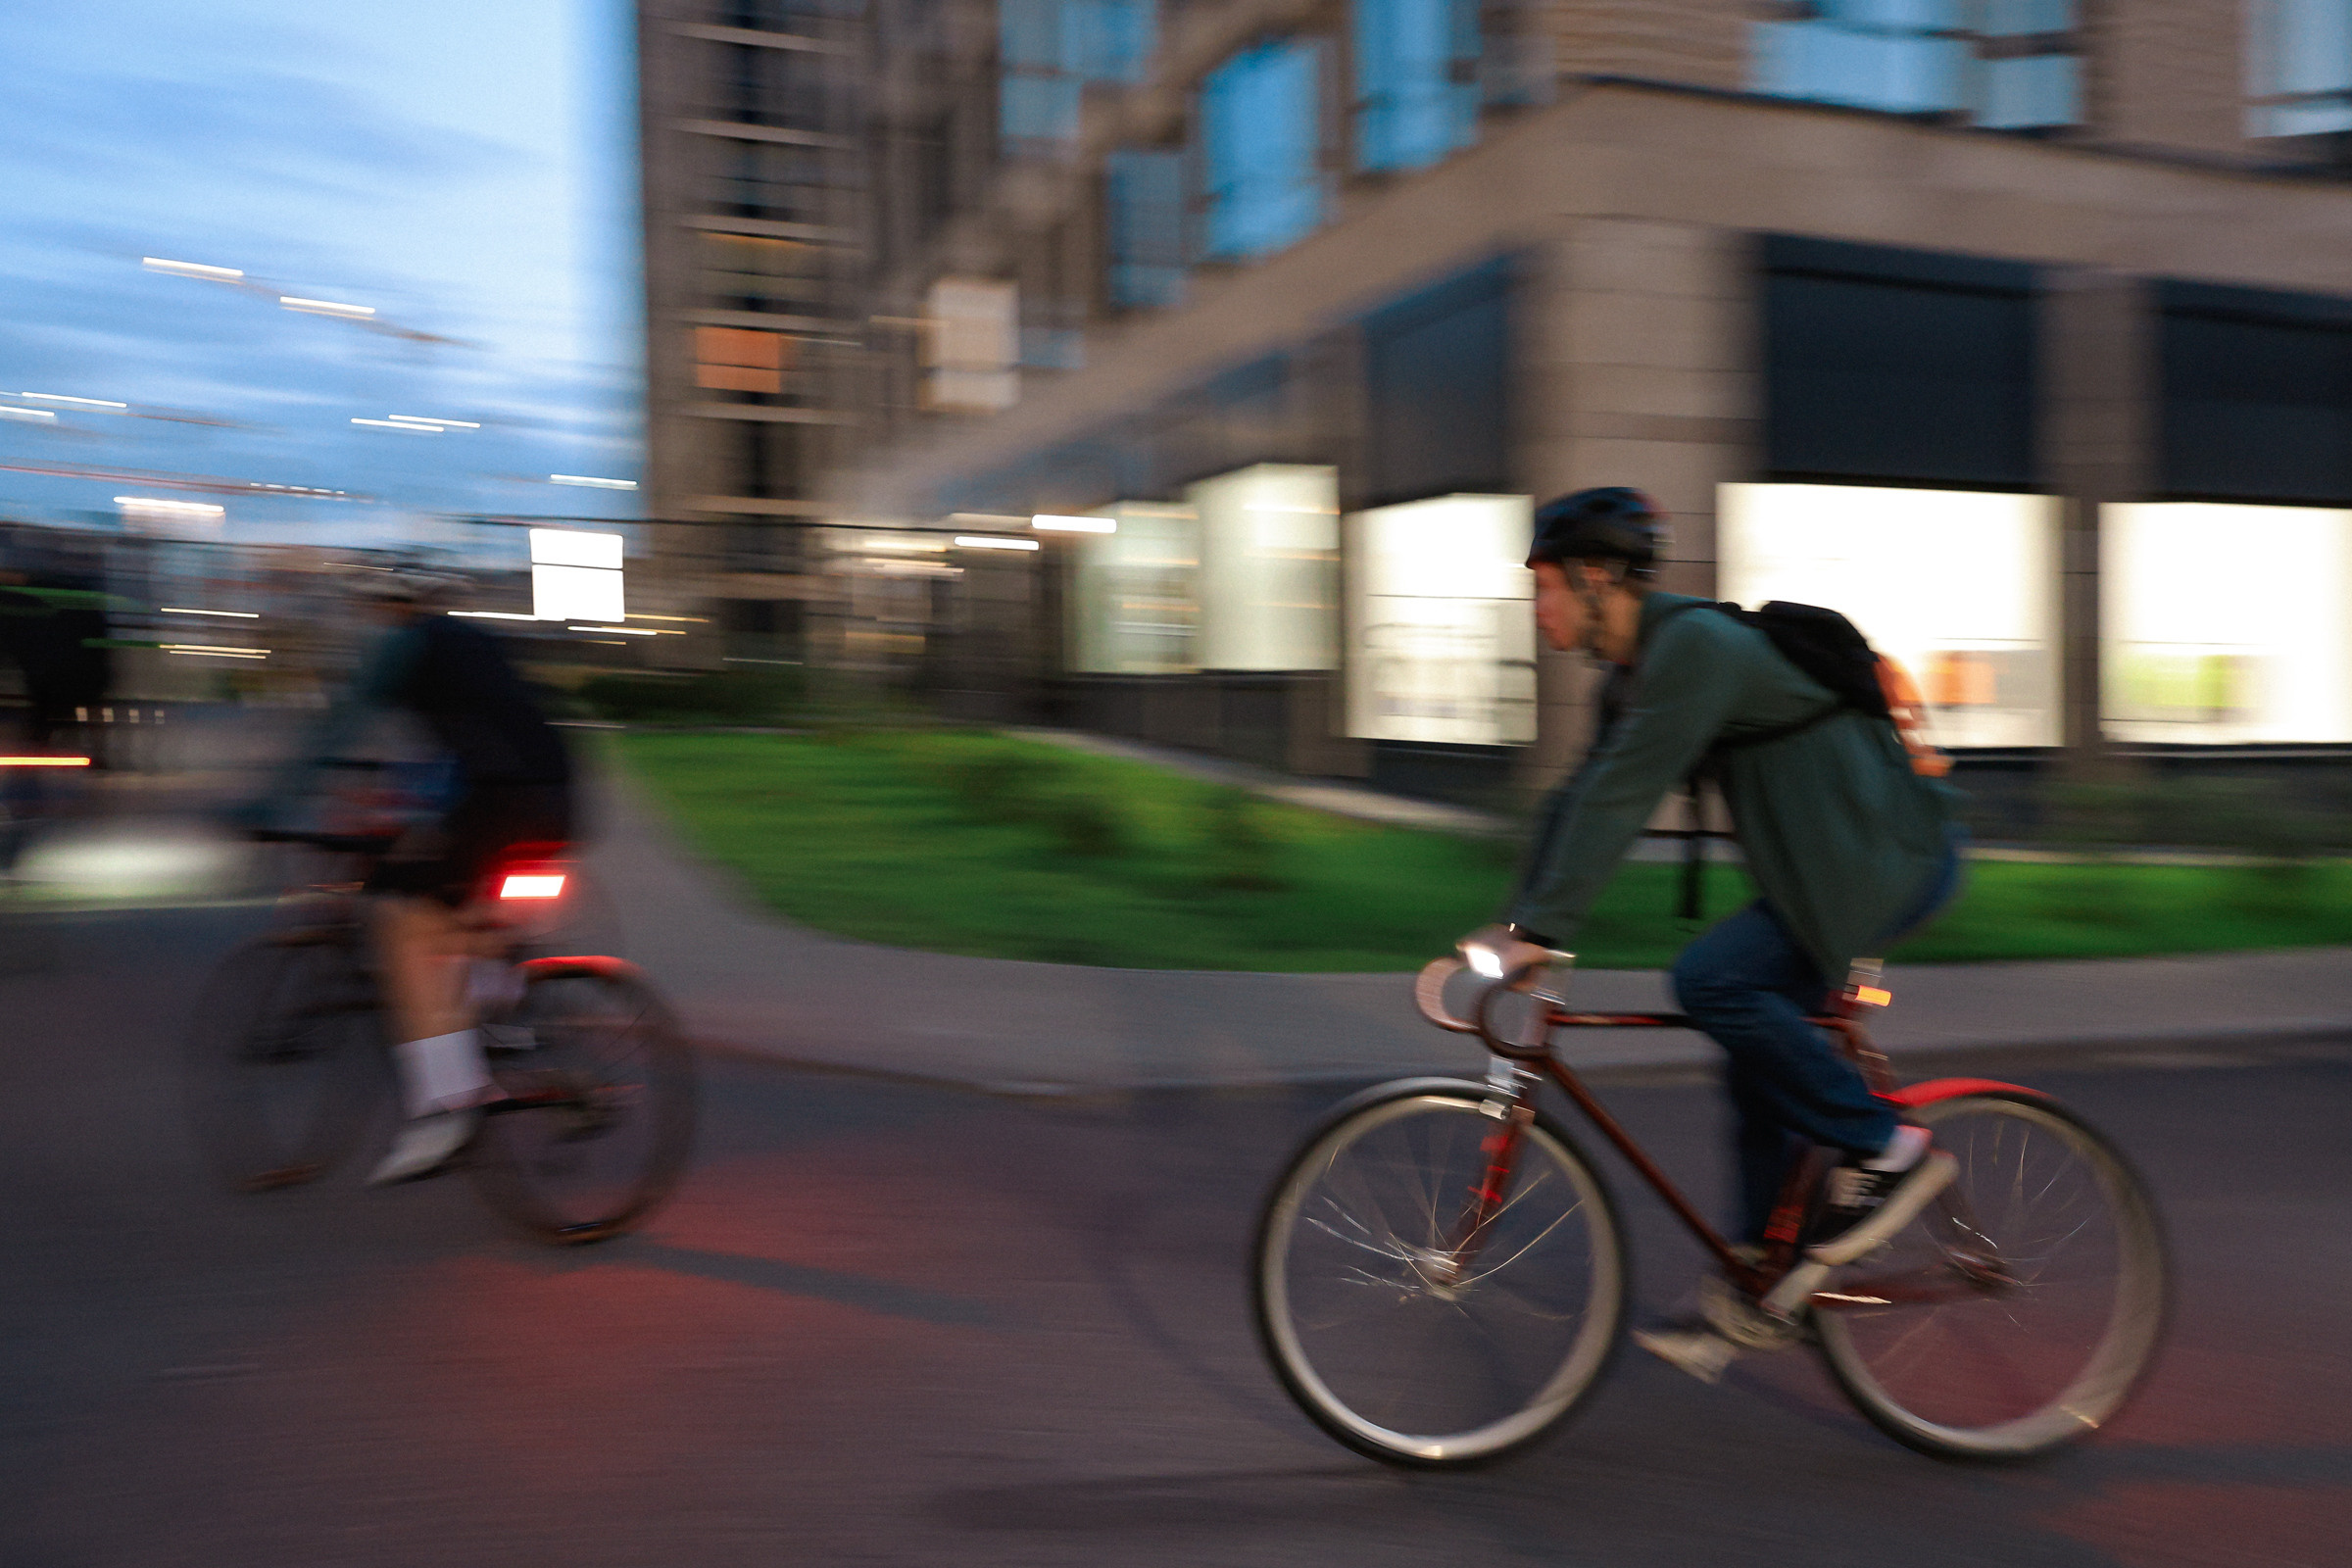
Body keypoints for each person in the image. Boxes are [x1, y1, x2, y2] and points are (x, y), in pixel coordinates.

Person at [1456, 486, 1964, 1380]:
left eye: (1545, 586)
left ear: (1597, 577)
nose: (1536, 607)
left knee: (1712, 984)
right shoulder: (1634, 675)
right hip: (1826, 878)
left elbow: (1624, 797)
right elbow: (1581, 794)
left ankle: (1890, 1149)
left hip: (1884, 862)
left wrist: (1545, 927)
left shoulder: (1692, 647)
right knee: (1753, 1053)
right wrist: (1516, 925)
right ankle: (1762, 1283)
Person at [248, 566, 575, 1184]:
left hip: (500, 804)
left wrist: (270, 805)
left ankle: (447, 1104)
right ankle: (497, 1004)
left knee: (397, 916)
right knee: (452, 906)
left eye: (375, 611)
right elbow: (454, 746)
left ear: (391, 610)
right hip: (555, 796)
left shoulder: (406, 646)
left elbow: (338, 726)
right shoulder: (473, 645)